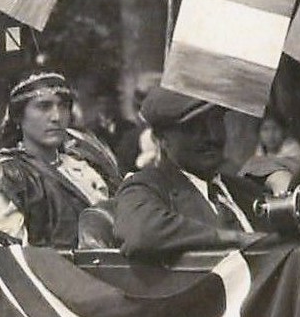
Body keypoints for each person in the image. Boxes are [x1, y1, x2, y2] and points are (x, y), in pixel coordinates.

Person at [111, 88, 276, 263]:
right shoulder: (146, 188)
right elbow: (141, 232)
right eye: (193, 127)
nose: (211, 136)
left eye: (216, 122)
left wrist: (277, 172)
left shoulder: (243, 190)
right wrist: (238, 239)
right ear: (161, 138)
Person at [0, 71, 120, 251]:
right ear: (19, 117)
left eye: (63, 106)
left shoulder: (89, 161)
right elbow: (12, 259)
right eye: (44, 107)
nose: (56, 117)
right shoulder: (8, 177)